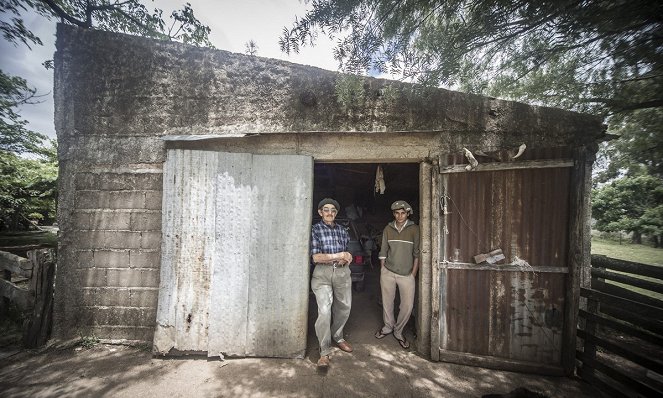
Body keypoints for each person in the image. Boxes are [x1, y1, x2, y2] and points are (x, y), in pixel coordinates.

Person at [310, 198, 354, 368]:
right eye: (326, 210)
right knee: (324, 311)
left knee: (344, 307)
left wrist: (346, 258)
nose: (330, 213)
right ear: (320, 212)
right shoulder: (315, 230)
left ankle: (338, 336)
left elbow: (346, 252)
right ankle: (324, 351)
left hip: (342, 272)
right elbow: (316, 257)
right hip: (322, 274)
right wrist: (339, 255)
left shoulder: (343, 230)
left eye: (333, 210)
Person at [375, 200, 420, 349]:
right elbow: (383, 250)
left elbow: (417, 253)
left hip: (406, 274)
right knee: (387, 302)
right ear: (394, 214)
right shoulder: (388, 228)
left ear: (407, 214)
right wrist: (383, 268)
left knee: (407, 306)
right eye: (397, 213)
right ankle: (388, 327)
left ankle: (398, 331)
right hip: (388, 271)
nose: (400, 216)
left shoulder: (414, 229)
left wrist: (413, 273)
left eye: (403, 213)